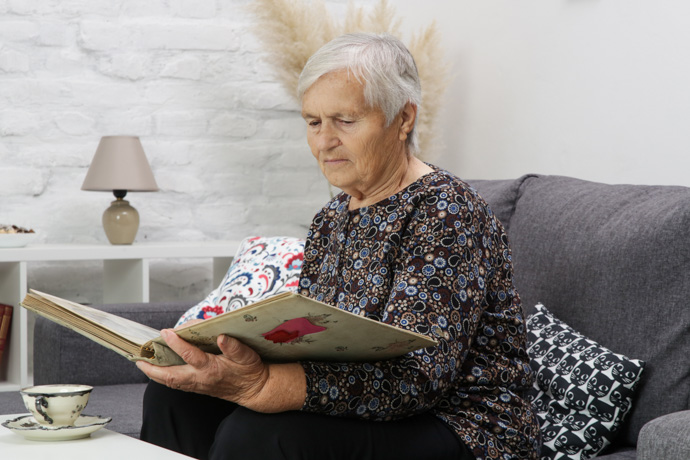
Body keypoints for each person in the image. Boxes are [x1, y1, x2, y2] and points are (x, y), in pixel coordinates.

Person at [137, 33, 541, 460]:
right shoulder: (331, 218)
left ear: (403, 118)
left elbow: (418, 381)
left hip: (463, 426)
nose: (324, 141)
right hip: (365, 408)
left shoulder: (445, 209)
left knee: (261, 434)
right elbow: (319, 341)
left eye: (345, 120)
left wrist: (267, 385)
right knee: (174, 399)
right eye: (313, 122)